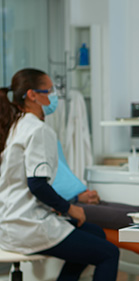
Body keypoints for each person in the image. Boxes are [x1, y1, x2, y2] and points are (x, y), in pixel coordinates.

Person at [0, 68, 119, 281]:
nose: (53, 95)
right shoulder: (38, 130)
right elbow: (37, 185)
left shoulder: (16, 125)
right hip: (28, 226)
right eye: (49, 90)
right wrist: (70, 208)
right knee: (109, 254)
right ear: (32, 95)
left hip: (11, 222)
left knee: (96, 234)